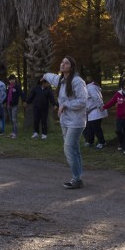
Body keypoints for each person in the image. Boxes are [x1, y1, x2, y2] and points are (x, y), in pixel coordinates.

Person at [43, 56, 89, 189]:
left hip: (76, 121)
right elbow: (50, 77)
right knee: (74, 149)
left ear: (72, 67)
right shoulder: (60, 80)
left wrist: (65, 105)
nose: (63, 64)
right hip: (65, 121)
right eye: (62, 61)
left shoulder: (77, 81)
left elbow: (83, 100)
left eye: (66, 62)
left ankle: (76, 178)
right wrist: (44, 75)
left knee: (68, 148)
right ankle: (78, 177)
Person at [103, 78, 125, 154]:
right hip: (119, 117)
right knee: (118, 131)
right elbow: (112, 102)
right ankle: (121, 143)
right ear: (124, 86)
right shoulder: (118, 94)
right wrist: (104, 107)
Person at [83, 79, 107, 148]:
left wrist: (100, 106)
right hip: (91, 112)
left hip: (96, 111)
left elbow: (96, 97)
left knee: (96, 128)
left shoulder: (90, 88)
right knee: (89, 127)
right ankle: (90, 141)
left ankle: (102, 142)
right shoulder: (88, 88)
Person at [6, 75, 24, 139]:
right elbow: (7, 96)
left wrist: (24, 101)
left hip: (14, 105)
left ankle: (15, 133)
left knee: (14, 119)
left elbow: (21, 94)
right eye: (10, 80)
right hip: (8, 105)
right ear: (9, 81)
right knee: (11, 120)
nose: (12, 81)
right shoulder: (8, 87)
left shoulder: (17, 87)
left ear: (15, 80)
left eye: (13, 79)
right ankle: (13, 132)